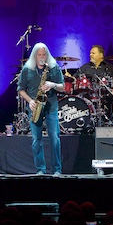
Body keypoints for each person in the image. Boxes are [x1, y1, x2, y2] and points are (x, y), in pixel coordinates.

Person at [17, 43, 65, 175]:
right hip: (35, 107)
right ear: (35, 56)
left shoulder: (54, 68)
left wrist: (53, 84)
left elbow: (63, 87)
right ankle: (40, 170)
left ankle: (57, 170)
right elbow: (20, 89)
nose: (42, 57)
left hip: (51, 106)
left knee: (54, 138)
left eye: (44, 55)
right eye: (39, 55)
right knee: (36, 140)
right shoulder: (27, 69)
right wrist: (30, 101)